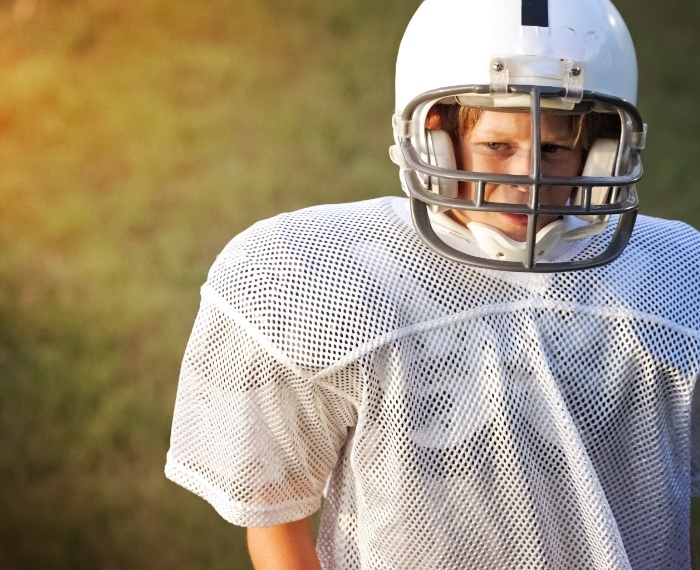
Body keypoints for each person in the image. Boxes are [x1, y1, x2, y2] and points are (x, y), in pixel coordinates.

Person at [165, 0, 700, 567]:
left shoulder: (673, 274)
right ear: (433, 138)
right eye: (498, 145)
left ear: (601, 152)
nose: (526, 177)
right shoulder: (323, 276)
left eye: (554, 149)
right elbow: (277, 520)